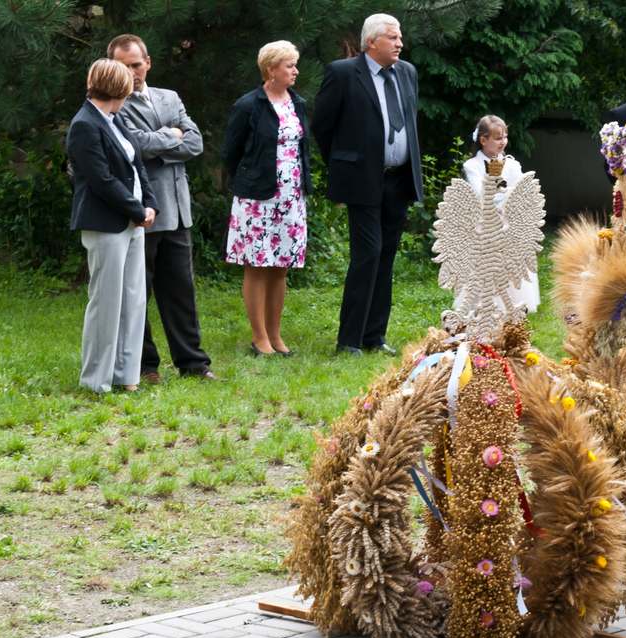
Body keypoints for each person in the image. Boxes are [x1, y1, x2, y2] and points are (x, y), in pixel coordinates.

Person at [312, 13, 423, 356]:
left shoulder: (407, 73)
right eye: (392, 37)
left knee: (387, 256)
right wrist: (345, 165)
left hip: (398, 179)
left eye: (400, 37)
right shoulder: (344, 73)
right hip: (362, 180)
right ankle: (349, 339)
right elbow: (322, 126)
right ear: (371, 42)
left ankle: (374, 337)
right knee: (368, 254)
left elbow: (408, 118)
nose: (400, 43)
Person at [108, 34, 215, 382]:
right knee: (138, 293)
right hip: (143, 211)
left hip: (178, 210)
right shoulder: (115, 105)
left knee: (182, 293)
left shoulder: (169, 97)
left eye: (136, 65)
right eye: (124, 66)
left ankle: (193, 363)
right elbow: (134, 145)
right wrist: (172, 135)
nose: (132, 72)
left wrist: (160, 141)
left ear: (148, 62)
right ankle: (144, 365)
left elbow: (196, 142)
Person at [66, 59, 158, 393]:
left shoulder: (115, 120)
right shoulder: (85, 124)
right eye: (128, 83)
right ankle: (96, 381)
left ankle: (126, 375)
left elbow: (136, 165)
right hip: (105, 223)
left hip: (133, 220)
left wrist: (149, 203)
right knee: (106, 302)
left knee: (133, 300)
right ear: (117, 88)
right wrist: (136, 209)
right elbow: (100, 179)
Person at [222, 40, 312, 357]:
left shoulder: (297, 103)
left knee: (280, 267)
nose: (295, 71)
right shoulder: (249, 105)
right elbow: (230, 153)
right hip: (257, 199)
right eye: (290, 65)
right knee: (257, 266)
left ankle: (276, 335)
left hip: (291, 199)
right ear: (271, 69)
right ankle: (259, 337)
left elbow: (303, 146)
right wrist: (250, 180)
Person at [462, 115, 539, 313]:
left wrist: (508, 193)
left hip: (509, 222)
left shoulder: (512, 165)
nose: (502, 142)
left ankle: (513, 302)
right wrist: (501, 187)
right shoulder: (473, 166)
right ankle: (484, 301)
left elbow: (522, 188)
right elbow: (479, 192)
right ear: (483, 140)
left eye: (505, 137)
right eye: (497, 138)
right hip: (485, 224)